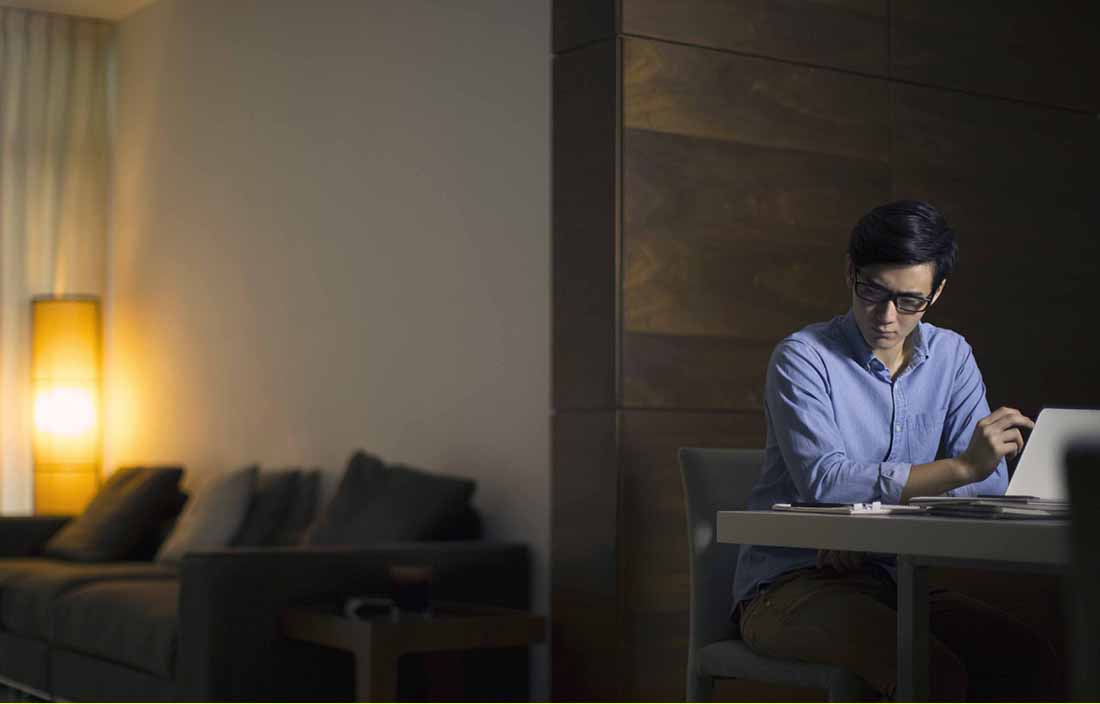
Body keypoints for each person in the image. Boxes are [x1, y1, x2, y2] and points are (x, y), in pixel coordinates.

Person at [733, 200, 1060, 700]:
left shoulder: (951, 356)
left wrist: (860, 525)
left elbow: (986, 487)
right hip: (790, 586)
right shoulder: (803, 358)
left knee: (1028, 656)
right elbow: (826, 480)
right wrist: (959, 466)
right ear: (850, 273)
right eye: (873, 292)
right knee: (927, 671)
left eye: (910, 302)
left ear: (938, 292)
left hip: (897, 579)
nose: (887, 317)